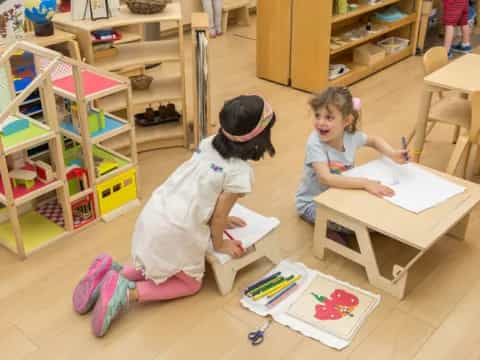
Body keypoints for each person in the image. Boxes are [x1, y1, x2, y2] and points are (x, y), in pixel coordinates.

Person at [72, 95, 277, 337]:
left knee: (159, 263)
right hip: (177, 230)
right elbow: (220, 214)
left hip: (156, 212)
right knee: (190, 284)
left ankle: (112, 273)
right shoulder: (240, 172)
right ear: (259, 137)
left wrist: (217, 216)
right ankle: (128, 293)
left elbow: (201, 189)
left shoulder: (208, 143)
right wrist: (220, 243)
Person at [295, 87, 409, 243]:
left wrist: (392, 154)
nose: (320, 123)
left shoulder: (350, 136)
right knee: (365, 226)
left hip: (341, 194)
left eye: (329, 118)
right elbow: (326, 178)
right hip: (313, 203)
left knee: (378, 216)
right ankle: (324, 229)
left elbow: (374, 140)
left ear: (347, 121)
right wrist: (365, 183)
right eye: (317, 116)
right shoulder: (315, 143)